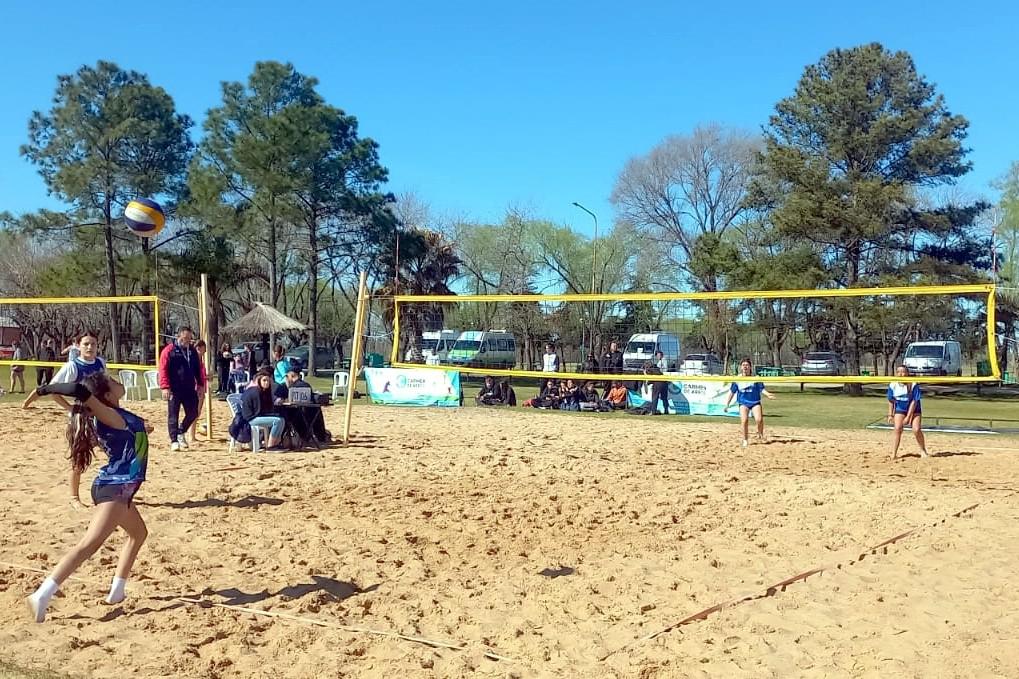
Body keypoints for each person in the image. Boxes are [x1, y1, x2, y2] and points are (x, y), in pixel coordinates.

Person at [21, 373, 151, 622]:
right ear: (106, 395)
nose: (117, 381)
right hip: (114, 488)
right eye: (112, 380)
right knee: (88, 545)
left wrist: (142, 430)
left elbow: (130, 435)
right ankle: (42, 595)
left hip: (119, 489)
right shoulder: (106, 414)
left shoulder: (115, 415)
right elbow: (79, 390)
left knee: (138, 534)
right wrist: (43, 390)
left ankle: (117, 591)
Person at [158, 326, 204, 452]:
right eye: (185, 338)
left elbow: (197, 369)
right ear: (178, 337)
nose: (188, 341)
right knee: (173, 414)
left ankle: (181, 431)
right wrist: (165, 387)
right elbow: (162, 369)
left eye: (189, 338)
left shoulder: (193, 352)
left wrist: (200, 384)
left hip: (189, 388)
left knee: (193, 412)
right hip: (174, 388)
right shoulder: (169, 350)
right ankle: (174, 440)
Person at [724, 358, 776, 448]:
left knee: (759, 420)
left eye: (747, 365)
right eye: (743, 365)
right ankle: (745, 439)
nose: (745, 367)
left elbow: (761, 389)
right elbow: (732, 392)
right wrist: (727, 404)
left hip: (755, 402)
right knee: (744, 421)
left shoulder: (755, 378)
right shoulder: (737, 379)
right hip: (743, 403)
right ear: (741, 367)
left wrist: (768, 395)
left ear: (750, 367)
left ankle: (760, 433)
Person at [230, 369, 285, 450]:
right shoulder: (255, 392)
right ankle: (270, 446)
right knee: (277, 421)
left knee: (282, 420)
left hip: (256, 416)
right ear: (259, 381)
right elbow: (258, 411)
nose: (266, 382)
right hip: (250, 418)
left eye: (268, 381)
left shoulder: (264, 391)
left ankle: (276, 443)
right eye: (264, 380)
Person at [888, 366, 928, 460]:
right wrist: (890, 414)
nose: (901, 374)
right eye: (899, 372)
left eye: (903, 372)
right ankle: (894, 453)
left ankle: (923, 450)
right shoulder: (893, 384)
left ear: (907, 373)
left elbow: (914, 402)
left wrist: (908, 417)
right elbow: (891, 400)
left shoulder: (913, 384)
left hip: (914, 410)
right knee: (897, 428)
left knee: (916, 429)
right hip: (900, 409)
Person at [189, 340, 209, 442]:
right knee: (195, 412)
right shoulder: (195, 359)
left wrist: (206, 377)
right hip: (197, 388)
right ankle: (191, 435)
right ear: (199, 348)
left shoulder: (200, 359)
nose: (205, 351)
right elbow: (195, 376)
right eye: (204, 349)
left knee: (197, 412)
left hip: (201, 387)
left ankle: (192, 434)